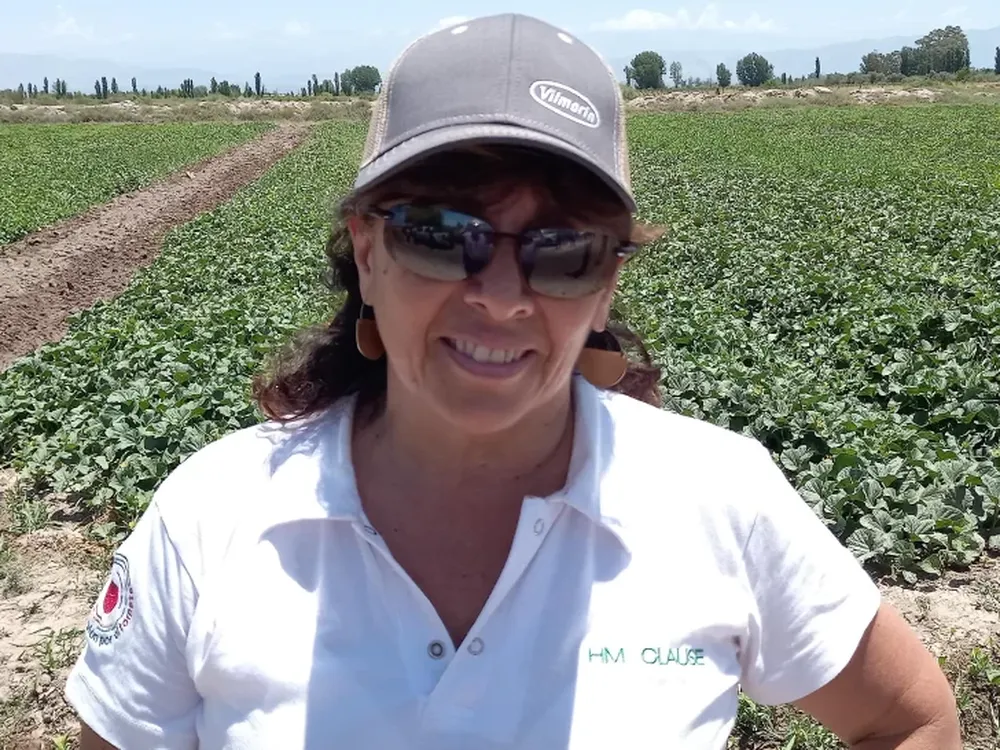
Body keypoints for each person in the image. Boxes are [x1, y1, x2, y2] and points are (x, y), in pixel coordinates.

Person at [67, 13, 961, 750]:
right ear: (369, 253)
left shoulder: (719, 498)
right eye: (438, 232)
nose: (500, 298)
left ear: (607, 281)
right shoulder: (213, 518)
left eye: (562, 250)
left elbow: (906, 717)